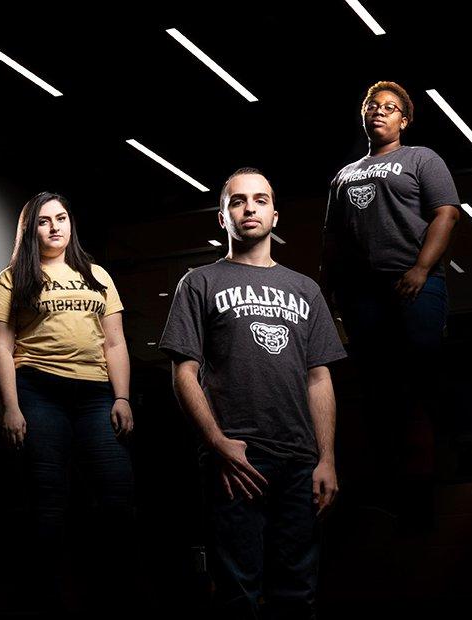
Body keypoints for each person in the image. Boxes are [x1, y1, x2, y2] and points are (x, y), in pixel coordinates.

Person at [161, 168, 346, 618]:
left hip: (300, 461)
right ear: (223, 217)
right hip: (237, 459)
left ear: (275, 215)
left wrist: (326, 458)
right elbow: (184, 372)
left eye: (260, 200)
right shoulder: (199, 283)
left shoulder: (306, 290)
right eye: (239, 201)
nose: (250, 208)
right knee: (237, 592)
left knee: (297, 593)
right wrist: (217, 443)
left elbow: (318, 378)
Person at [321, 80, 471, 511]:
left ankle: (434, 475)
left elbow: (447, 213)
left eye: (389, 107)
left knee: (420, 375)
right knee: (377, 385)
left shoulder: (421, 158)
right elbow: (330, 238)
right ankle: (389, 483)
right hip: (360, 294)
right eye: (372, 106)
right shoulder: (343, 175)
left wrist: (422, 268)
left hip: (412, 285)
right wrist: (328, 291)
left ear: (403, 120)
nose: (379, 111)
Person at [0, 191, 134, 610]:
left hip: (96, 395)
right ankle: (45, 599)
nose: (55, 227)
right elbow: (1, 346)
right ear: (30, 230)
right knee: (47, 499)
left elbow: (116, 342)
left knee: (117, 496)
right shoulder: (13, 278)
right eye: (45, 221)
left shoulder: (98, 275)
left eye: (62, 218)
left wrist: (121, 396)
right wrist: (11, 407)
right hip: (38, 390)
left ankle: (114, 593)